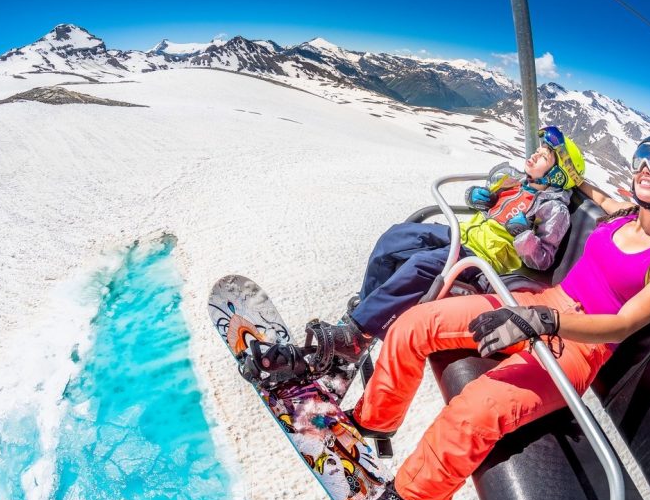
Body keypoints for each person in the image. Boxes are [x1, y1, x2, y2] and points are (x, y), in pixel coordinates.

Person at [350, 133, 650, 500]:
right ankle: (373, 420)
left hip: (578, 347)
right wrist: (562, 167)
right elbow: (587, 186)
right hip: (541, 304)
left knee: (478, 406)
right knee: (416, 324)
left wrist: (546, 321)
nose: (645, 170)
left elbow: (622, 325)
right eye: (641, 160)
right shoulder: (620, 213)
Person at [249, 126, 587, 383]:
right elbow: (476, 196)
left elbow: (540, 259)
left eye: (544, 156)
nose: (534, 155)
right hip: (461, 237)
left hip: (482, 261)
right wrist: (478, 196)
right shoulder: (512, 181)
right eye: (539, 149)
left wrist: (523, 234)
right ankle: (361, 330)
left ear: (557, 172)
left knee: (423, 266)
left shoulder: (553, 208)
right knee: (395, 239)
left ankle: (355, 334)